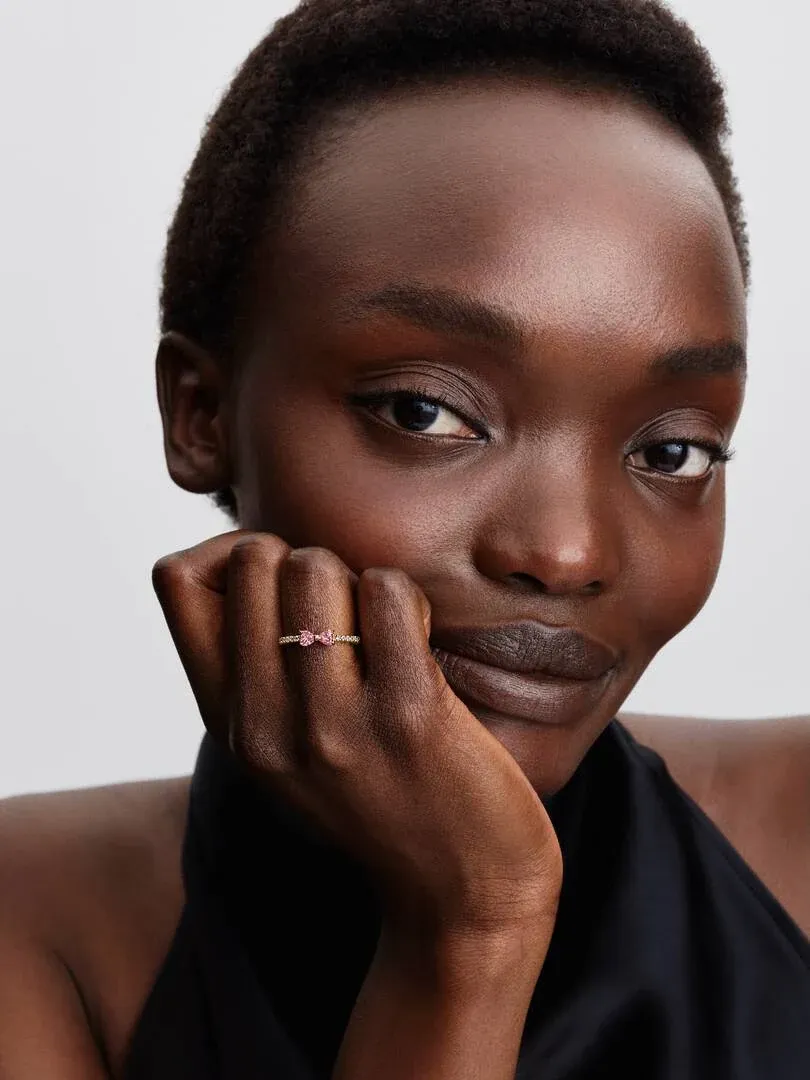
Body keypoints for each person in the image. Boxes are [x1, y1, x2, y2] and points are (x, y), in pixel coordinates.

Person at [1, 0, 808, 1076]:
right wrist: (468, 930)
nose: (566, 554)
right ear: (201, 413)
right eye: (427, 411)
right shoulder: (39, 932)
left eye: (673, 453)